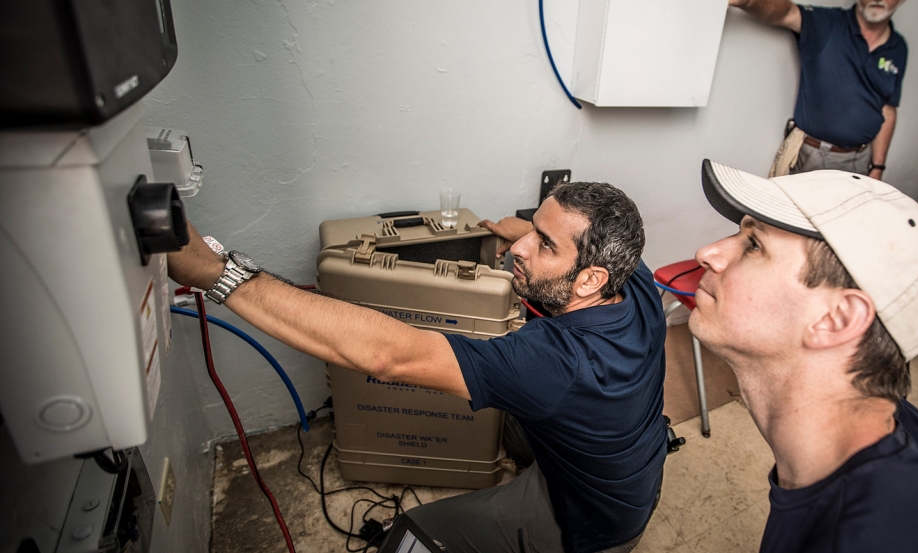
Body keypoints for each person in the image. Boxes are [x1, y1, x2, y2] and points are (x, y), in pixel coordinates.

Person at [166, 181, 668, 553]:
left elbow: (393, 355)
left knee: (411, 543)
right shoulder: (635, 280)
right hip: (634, 470)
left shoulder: (555, 364)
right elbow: (535, 239)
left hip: (589, 520)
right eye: (532, 230)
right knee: (514, 418)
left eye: (544, 245)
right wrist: (508, 231)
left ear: (589, 279)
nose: (519, 247)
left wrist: (218, 273)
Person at [691, 158, 918, 551]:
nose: (708, 252)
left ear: (837, 319)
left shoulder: (886, 534)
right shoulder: (882, 440)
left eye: (754, 245)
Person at [730, 0, 907, 180]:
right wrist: (748, 1)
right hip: (813, 156)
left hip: (860, 162)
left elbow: (888, 110)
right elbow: (786, 13)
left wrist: (878, 167)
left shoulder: (898, 47)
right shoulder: (827, 23)